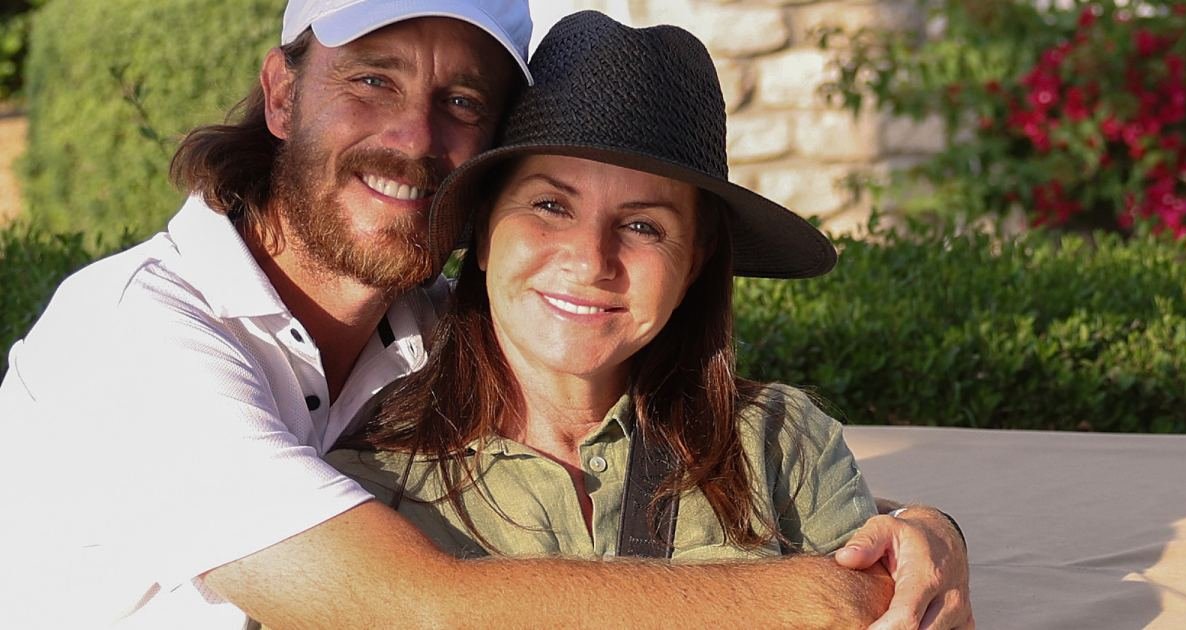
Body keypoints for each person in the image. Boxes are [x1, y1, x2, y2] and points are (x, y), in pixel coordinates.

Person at [0, 1, 971, 628]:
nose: (415, 135)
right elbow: (427, 606)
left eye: (462, 100)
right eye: (373, 78)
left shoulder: (427, 327)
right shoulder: (127, 342)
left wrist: (921, 531)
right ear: (282, 95)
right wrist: (819, 595)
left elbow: (673, 433)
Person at [329, 8, 889, 587]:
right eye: (551, 206)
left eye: (643, 226)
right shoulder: (369, 488)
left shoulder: (781, 445)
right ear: (487, 230)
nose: (592, 260)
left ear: (692, 264)